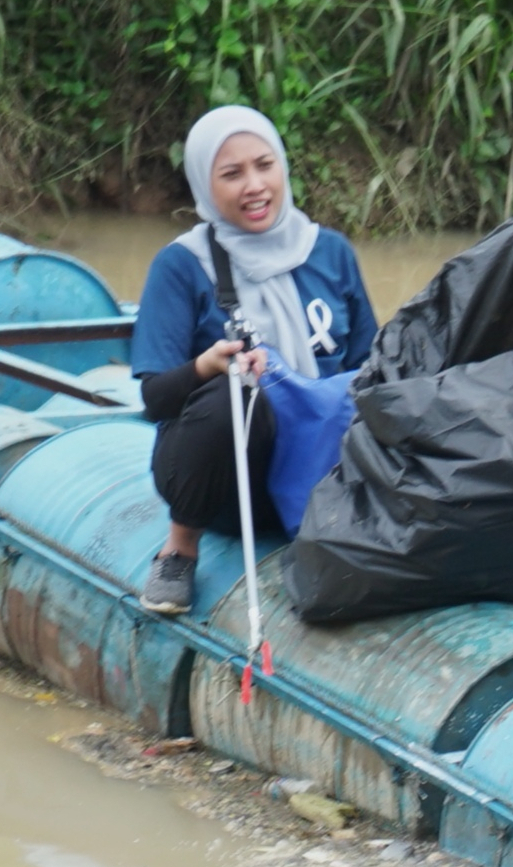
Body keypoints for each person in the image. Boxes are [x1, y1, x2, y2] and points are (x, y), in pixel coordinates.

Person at [129, 107, 378, 615]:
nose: (255, 186)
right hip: (235, 480)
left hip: (324, 472)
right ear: (204, 184)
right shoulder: (181, 265)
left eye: (265, 165)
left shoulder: (331, 252)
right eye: (232, 174)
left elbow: (371, 368)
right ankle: (179, 550)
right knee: (236, 394)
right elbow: (154, 398)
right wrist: (207, 366)